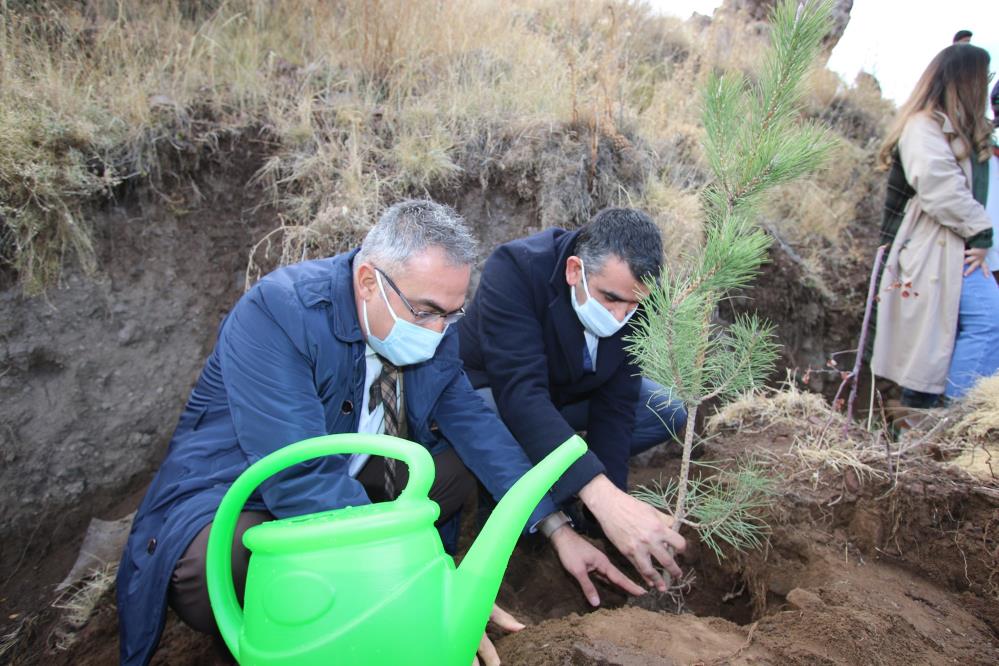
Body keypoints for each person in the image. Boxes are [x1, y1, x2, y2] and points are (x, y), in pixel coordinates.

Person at [117, 200, 644, 666]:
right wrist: (421, 589)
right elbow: (300, 479)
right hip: (241, 498)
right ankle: (299, 631)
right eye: (427, 312)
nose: (440, 331)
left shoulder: (431, 331)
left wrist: (557, 527)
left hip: (348, 483)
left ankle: (359, 595)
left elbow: (480, 429)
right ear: (369, 281)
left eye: (452, 315)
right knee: (226, 560)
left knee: (456, 471)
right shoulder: (281, 313)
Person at [459, 208, 688, 594]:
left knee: (665, 408)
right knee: (499, 422)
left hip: (568, 398)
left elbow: (616, 404)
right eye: (610, 299)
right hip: (495, 396)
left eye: (632, 307)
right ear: (573, 271)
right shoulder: (516, 269)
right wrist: (598, 493)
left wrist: (609, 511)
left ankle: (569, 484)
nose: (620, 316)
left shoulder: (638, 293)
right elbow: (522, 397)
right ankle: (516, 505)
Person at [872, 44, 999, 407]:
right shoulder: (923, 125)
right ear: (963, 80)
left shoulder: (952, 128)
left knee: (941, 341)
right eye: (982, 77)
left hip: (953, 248)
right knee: (986, 322)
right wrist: (981, 231)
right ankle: (955, 421)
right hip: (935, 248)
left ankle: (938, 424)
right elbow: (937, 184)